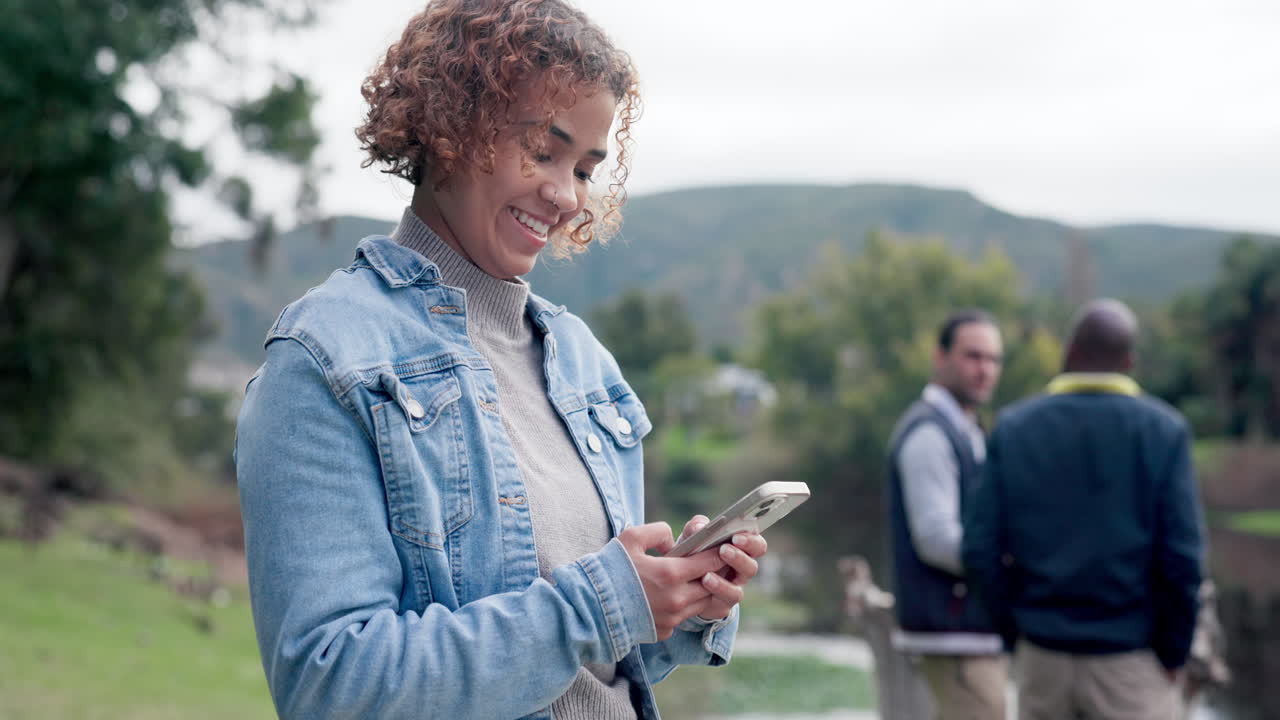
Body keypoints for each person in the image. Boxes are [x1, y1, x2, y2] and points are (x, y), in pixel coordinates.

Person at [233, 2, 768, 718]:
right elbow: (331, 686)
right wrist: (599, 603)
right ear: (451, 124)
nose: (566, 194)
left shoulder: (581, 361)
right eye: (542, 151)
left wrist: (673, 602)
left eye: (583, 166)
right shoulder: (326, 358)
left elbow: (593, 668)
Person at [962, 299, 1206, 720]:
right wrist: (1173, 652)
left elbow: (980, 549)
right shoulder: (1163, 432)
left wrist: (1015, 632)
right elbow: (1183, 561)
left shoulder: (1014, 428)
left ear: (1069, 352)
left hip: (1042, 659)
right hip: (1132, 660)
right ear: (1128, 361)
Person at [885, 309, 1008, 719]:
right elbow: (936, 539)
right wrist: (1011, 559)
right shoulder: (929, 434)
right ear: (941, 358)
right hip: (953, 636)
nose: (985, 369)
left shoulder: (968, 429)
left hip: (969, 634)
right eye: (973, 356)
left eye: (993, 359)